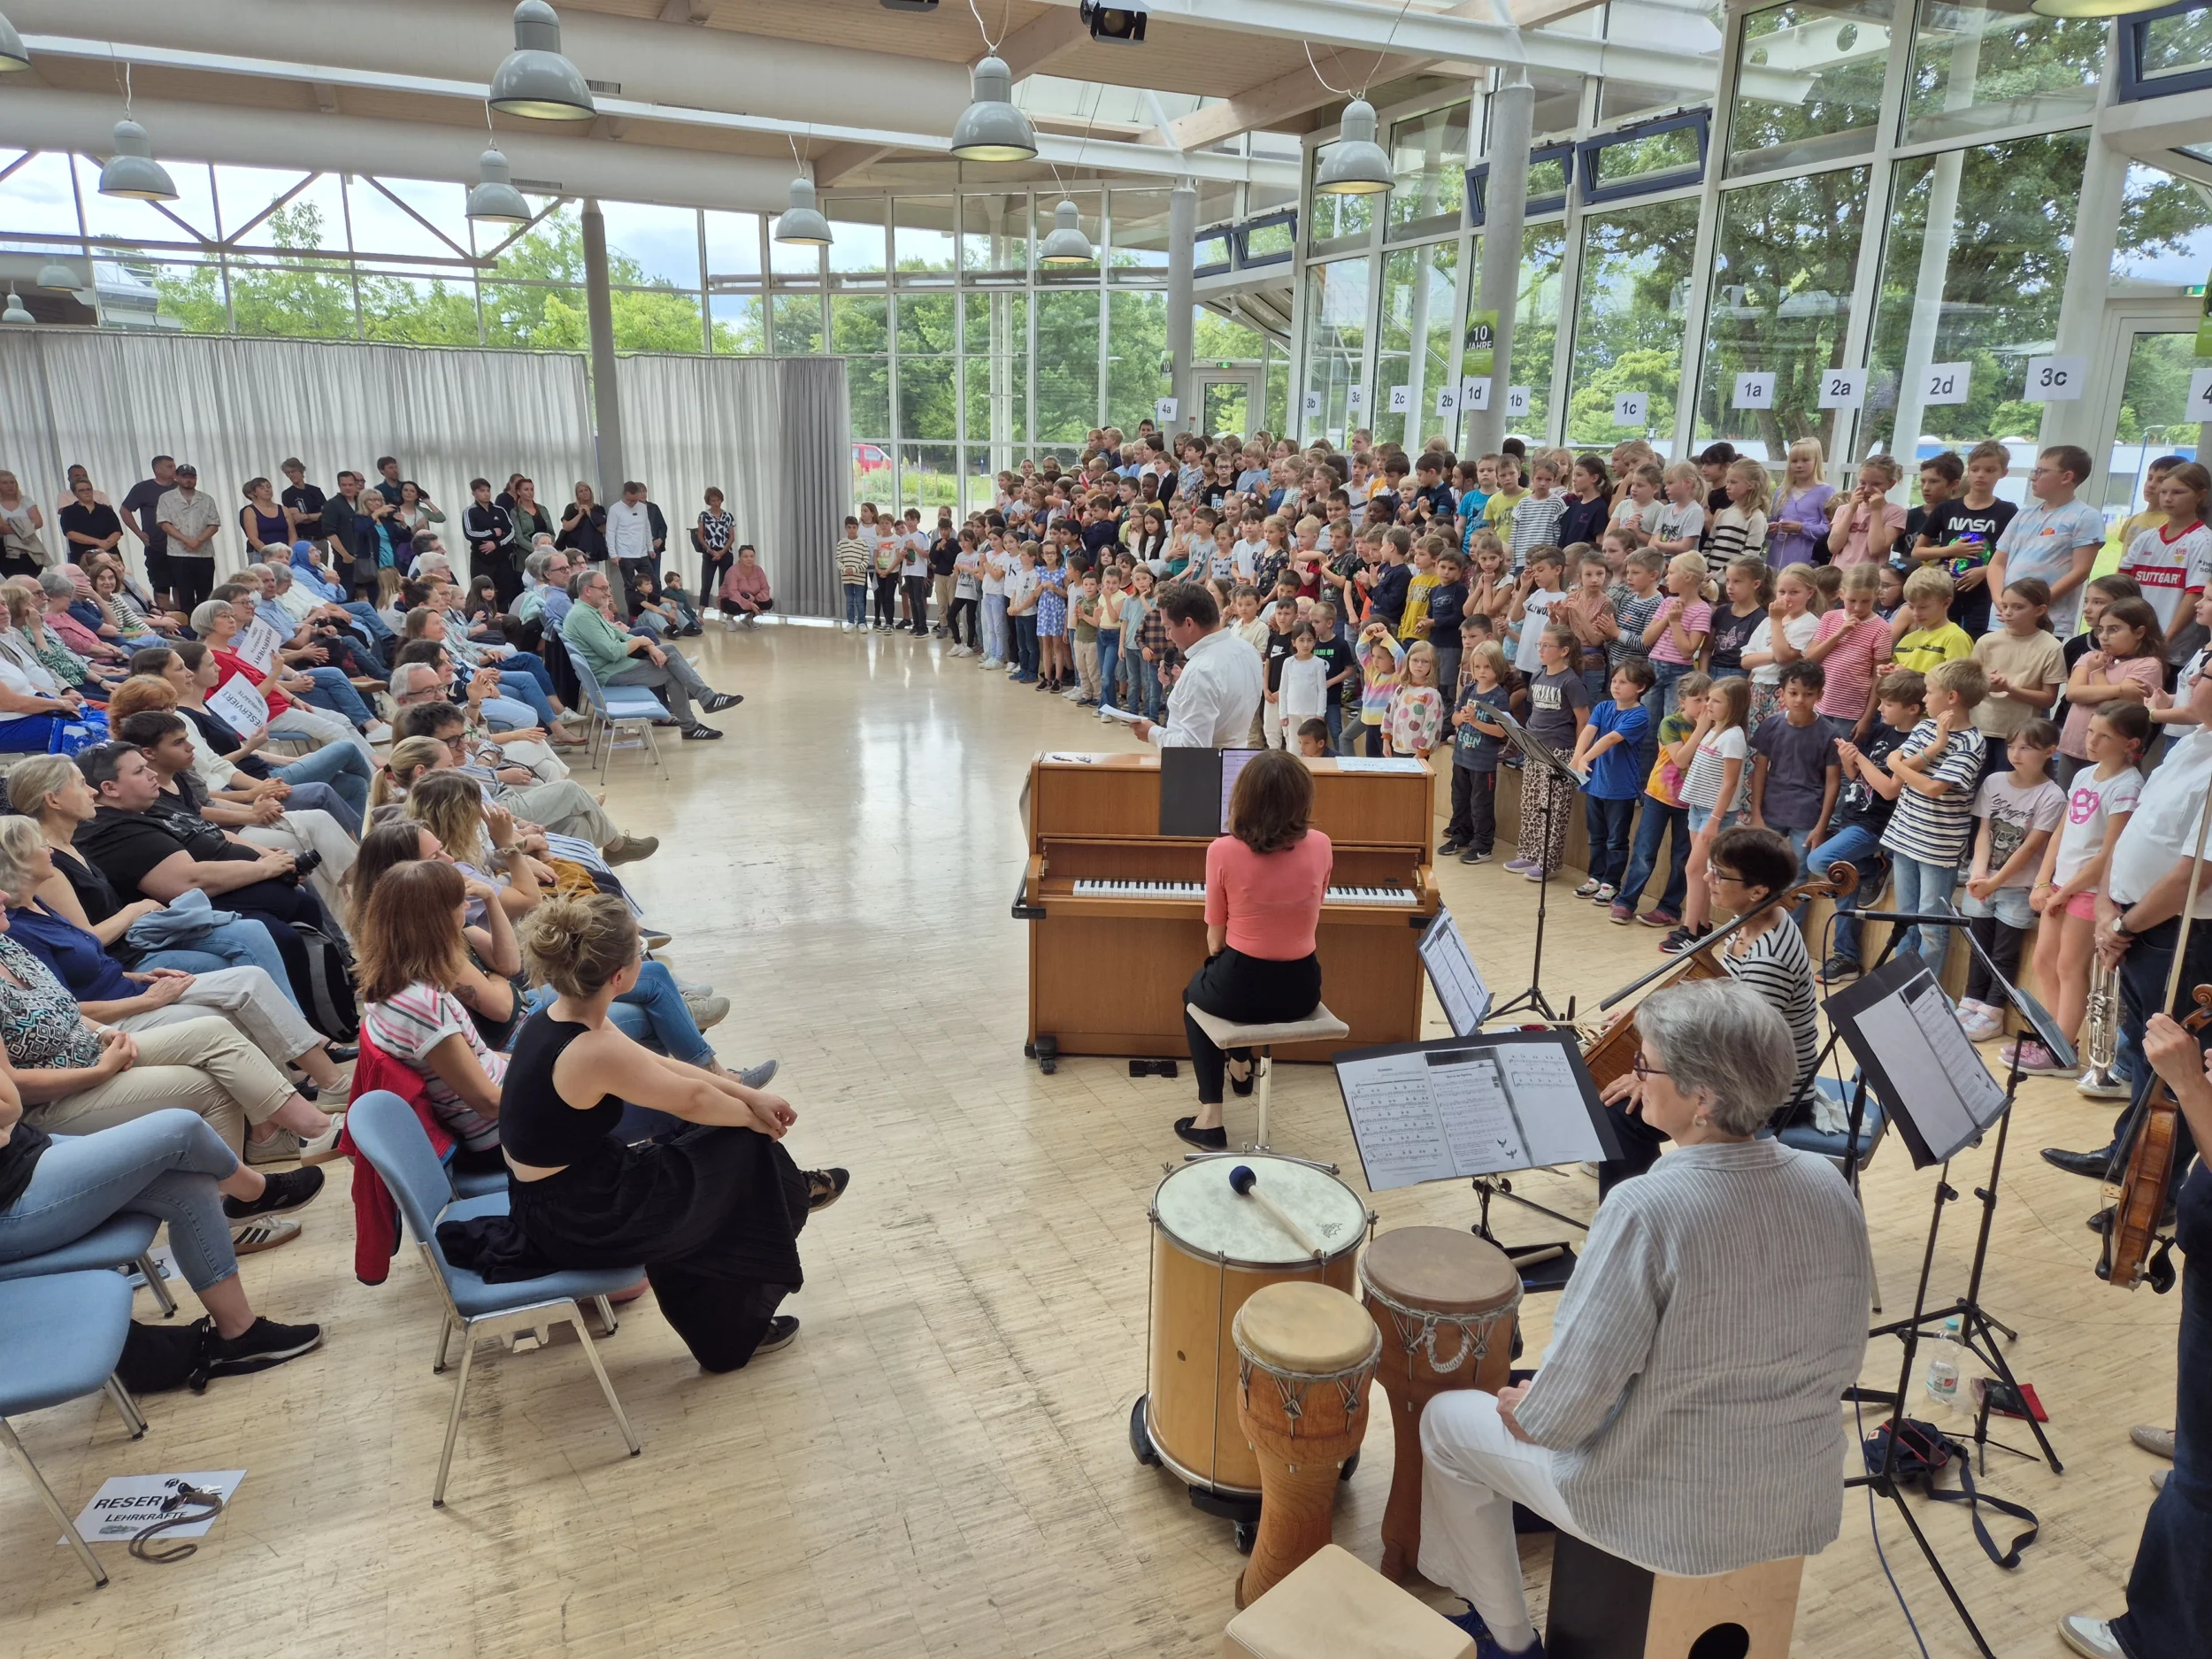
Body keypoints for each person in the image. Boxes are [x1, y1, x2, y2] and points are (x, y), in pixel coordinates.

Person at [1422, 977, 1871, 1657]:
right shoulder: (1829, 1184)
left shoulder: (1647, 1207)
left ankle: (1508, 1638)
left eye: (1646, 1063)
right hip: (1794, 1495)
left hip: (1666, 1513)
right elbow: (1843, 1356)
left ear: (1703, 1097)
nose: (1635, 1075)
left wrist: (1526, 1407)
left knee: (1447, 1422)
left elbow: (1558, 1419)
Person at [450, 892, 842, 1371]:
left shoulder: (560, 1014)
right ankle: (733, 1323)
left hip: (562, 1199)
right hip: (580, 1218)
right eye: (640, 952)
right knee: (742, 1154)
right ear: (620, 976)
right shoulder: (591, 1047)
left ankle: (730, 1318)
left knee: (726, 1163)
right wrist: (755, 1120)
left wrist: (747, 1096)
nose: (645, 959)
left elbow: (658, 1064)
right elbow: (692, 1101)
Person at [0, 817, 349, 1129]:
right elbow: (68, 1007)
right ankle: (298, 1111)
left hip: (128, 991)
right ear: (17, 862)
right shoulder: (17, 930)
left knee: (250, 980)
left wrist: (137, 980)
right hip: (115, 1017)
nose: (49, 850)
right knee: (225, 1014)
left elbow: (83, 972)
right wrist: (145, 1001)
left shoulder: (37, 907)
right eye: (39, 846)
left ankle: (295, 1109)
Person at [2045, 649, 2212, 1185]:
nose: (2189, 680)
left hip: (2180, 932)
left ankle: (2156, 1184)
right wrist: (2111, 907)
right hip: (2135, 920)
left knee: (2174, 1063)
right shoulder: (2189, 747)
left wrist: (2123, 924)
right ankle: (2127, 1156)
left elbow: (2195, 874)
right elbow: (2136, 834)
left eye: (2201, 674)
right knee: (2144, 1052)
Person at [0, 1097, 323, 1366]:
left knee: (192, 1186)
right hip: (12, 1203)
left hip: (29, 1150)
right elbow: (10, 1104)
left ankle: (240, 1333)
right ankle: (254, 1193)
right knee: (181, 1128)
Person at [1174, 751, 1331, 1151]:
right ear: (1302, 799)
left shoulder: (1222, 851)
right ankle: (1241, 1065)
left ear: (1242, 798)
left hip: (1243, 983)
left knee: (1196, 996)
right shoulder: (1322, 845)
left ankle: (1211, 1118)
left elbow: (1215, 942)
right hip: (1302, 990)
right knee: (1227, 988)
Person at [2019, 703, 2148, 1079]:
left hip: (2090, 890)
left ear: (2131, 743)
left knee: (2069, 967)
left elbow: (2109, 852)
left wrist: (2063, 892)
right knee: (2043, 961)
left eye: (2103, 735)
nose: (2090, 740)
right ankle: (2057, 1041)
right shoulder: (2084, 775)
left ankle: (2062, 1051)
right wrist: (2044, 881)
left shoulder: (2128, 786)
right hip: (2061, 885)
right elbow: (2061, 832)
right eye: (2089, 731)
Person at [1815, 671, 1924, 982]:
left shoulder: (1916, 741)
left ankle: (1873, 867)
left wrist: (1860, 760)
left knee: (1819, 861)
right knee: (1844, 876)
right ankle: (1846, 957)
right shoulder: (1881, 731)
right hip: (1855, 813)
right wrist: (1849, 758)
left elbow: (1890, 790)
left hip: (1878, 823)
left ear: (1912, 708)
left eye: (1888, 703)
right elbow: (1857, 778)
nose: (1879, 708)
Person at [562, 567, 739, 741]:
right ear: (587, 591)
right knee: (672, 673)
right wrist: (641, 641)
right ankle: (695, 717)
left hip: (614, 667)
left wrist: (648, 645)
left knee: (668, 651)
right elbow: (614, 652)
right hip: (609, 673)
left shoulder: (590, 612)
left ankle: (702, 705)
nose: (608, 593)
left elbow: (621, 635)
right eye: (604, 588)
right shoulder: (582, 617)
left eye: (608, 588)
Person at [1988, 444, 2106, 638]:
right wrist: (2000, 601)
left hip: (2047, 623)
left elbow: (2080, 571)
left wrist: (2034, 608)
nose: (2033, 476)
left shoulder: (2085, 516)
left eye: (2041, 471)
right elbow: (1998, 562)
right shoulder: (2023, 515)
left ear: (2066, 477)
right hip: (2001, 621)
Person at [1129, 582, 1265, 749]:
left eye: (1168, 627)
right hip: (1237, 757)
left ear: (1188, 624)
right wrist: (1181, 684)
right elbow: (1223, 696)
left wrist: (1152, 733)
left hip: (1204, 769)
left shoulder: (1200, 672)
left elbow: (1192, 748)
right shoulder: (1247, 650)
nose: (1167, 636)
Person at [155, 463, 222, 613]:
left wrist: (198, 541)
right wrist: (187, 540)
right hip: (178, 553)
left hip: (204, 553)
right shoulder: (166, 498)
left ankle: (205, 625)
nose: (188, 480)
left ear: (196, 479)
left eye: (191, 477)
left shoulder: (206, 499)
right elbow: (164, 523)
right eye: (185, 477)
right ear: (177, 478)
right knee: (184, 594)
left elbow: (214, 524)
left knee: (205, 593)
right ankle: (190, 628)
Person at [119, 455, 179, 609]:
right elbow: (125, 510)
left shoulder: (180, 487)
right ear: (158, 469)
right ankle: (165, 621)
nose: (174, 469)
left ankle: (184, 619)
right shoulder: (143, 488)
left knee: (181, 585)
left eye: (174, 466)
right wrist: (139, 533)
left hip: (182, 546)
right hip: (156, 545)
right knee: (161, 585)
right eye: (169, 466)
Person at [720, 543, 773, 627]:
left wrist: (755, 599)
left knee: (768, 602)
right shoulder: (732, 571)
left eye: (751, 556)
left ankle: (749, 618)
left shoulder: (758, 570)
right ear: (739, 558)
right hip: (731, 599)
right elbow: (733, 593)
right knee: (733, 604)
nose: (749, 559)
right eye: (745, 557)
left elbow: (765, 588)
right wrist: (748, 604)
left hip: (752, 598)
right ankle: (729, 619)